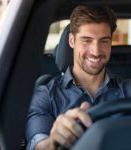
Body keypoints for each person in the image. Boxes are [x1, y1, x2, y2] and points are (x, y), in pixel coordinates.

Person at [26, 5, 131, 150]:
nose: (96, 51)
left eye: (104, 41)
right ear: (71, 41)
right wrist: (53, 142)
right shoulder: (45, 96)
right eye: (87, 40)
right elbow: (38, 144)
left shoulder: (129, 90)